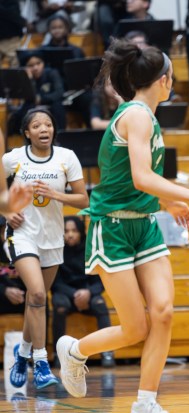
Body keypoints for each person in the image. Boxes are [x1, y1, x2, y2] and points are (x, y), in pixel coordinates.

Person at [55, 39, 189, 413]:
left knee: (163, 312)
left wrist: (168, 201)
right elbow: (140, 177)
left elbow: (133, 177)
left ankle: (146, 402)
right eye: (172, 76)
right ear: (164, 80)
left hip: (144, 225)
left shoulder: (146, 116)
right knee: (135, 329)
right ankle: (74, 350)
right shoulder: (135, 115)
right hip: (113, 229)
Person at [5, 108, 89, 391]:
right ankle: (41, 362)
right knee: (39, 294)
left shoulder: (67, 157)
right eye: (37, 125)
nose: (44, 129)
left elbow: (84, 200)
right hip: (22, 234)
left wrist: (56, 194)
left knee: (35, 301)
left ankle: (22, 354)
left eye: (49, 124)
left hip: (53, 238)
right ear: (27, 132)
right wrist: (5, 213)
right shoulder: (13, 158)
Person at [51, 216, 115, 368]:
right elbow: (55, 283)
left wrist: (88, 293)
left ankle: (107, 353)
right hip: (66, 294)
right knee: (59, 304)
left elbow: (101, 280)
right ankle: (58, 354)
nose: (70, 234)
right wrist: (74, 294)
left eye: (74, 230)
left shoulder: (91, 249)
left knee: (100, 304)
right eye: (66, 231)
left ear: (81, 232)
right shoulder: (56, 251)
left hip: (88, 294)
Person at [10, 50, 66, 135]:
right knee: (18, 114)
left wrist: (41, 99)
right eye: (31, 65)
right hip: (31, 105)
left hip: (52, 104)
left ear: (43, 63)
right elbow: (29, 97)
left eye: (38, 63)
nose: (35, 67)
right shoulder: (25, 77)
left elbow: (59, 92)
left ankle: (60, 135)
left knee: (58, 105)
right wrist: (29, 80)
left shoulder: (52, 73)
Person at [0, 0, 26, 68]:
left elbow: (13, 14)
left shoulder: (11, 2)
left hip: (11, 39)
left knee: (15, 66)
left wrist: (23, 22)